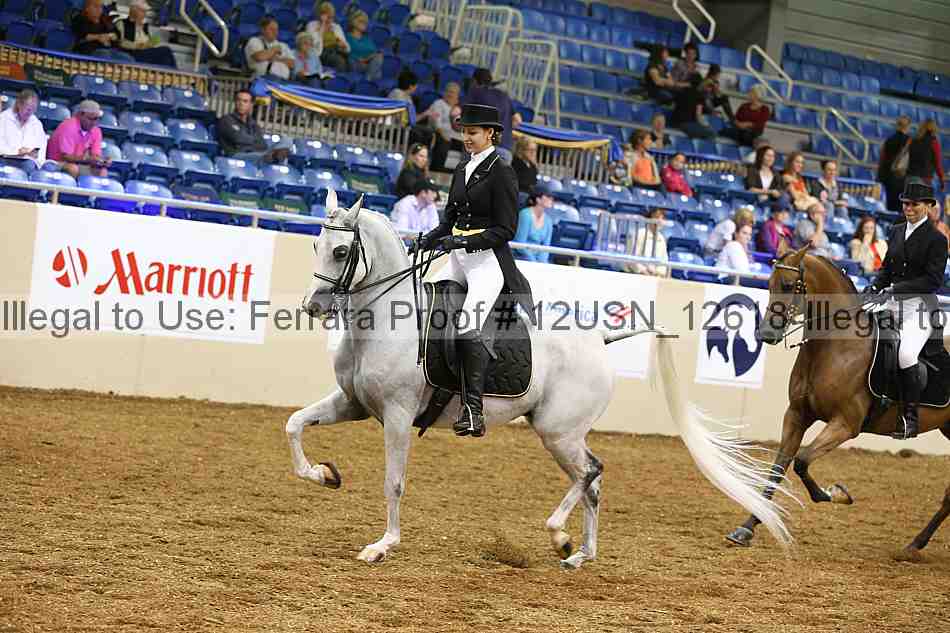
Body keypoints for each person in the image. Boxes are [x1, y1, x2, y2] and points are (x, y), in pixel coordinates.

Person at [409, 104, 536, 438]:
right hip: (457, 258)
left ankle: (473, 410)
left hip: (487, 263)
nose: (466, 137)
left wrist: (462, 242)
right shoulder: (463, 167)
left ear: (490, 134)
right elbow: (449, 221)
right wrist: (426, 241)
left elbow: (506, 230)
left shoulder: (502, 171)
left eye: (473, 132)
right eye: (464, 132)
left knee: (467, 326)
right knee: (422, 307)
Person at [863, 178, 949, 440]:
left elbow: (932, 280)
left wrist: (896, 289)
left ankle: (909, 419)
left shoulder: (937, 239)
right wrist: (874, 286)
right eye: (905, 204)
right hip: (891, 301)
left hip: (919, 307)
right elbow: (887, 268)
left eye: (914, 204)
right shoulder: (896, 230)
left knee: (906, 354)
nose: (908, 208)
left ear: (928, 206)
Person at [216, 90, 291, 165]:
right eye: (238, 100)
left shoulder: (253, 123)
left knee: (286, 139)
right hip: (237, 155)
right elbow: (239, 139)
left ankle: (276, 156)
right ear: (235, 102)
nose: (241, 104)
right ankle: (275, 157)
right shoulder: (226, 120)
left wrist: (255, 143)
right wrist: (255, 141)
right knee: (267, 156)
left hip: (258, 154)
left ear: (251, 104)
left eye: (245, 101)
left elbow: (262, 144)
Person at [463, 68, 522, 163]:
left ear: (474, 81)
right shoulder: (504, 96)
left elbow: (459, 113)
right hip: (504, 148)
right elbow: (517, 120)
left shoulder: (475, 92)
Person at [47, 100, 111, 178]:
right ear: (80, 115)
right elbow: (66, 157)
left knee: (102, 171)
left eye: (97, 119)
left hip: (78, 163)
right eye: (91, 119)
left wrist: (102, 160)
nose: (94, 123)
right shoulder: (68, 126)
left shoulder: (96, 130)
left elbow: (95, 155)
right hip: (56, 162)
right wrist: (87, 159)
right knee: (72, 169)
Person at [117, 0, 176, 68]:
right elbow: (119, 41)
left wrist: (152, 42)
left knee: (165, 54)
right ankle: (174, 72)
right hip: (133, 54)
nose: (144, 14)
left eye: (145, 12)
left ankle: (173, 72)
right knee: (165, 51)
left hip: (145, 53)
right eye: (142, 11)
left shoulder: (144, 26)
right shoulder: (122, 23)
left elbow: (149, 42)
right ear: (133, 10)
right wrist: (138, 46)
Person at [0, 89, 47, 171]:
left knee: (34, 166)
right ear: (19, 104)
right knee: (27, 165)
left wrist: (34, 154)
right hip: (5, 158)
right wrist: (17, 152)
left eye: (33, 109)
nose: (30, 112)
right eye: (28, 109)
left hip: (28, 161)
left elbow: (41, 149)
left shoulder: (36, 123)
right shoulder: (3, 118)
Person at [427, 82, 463, 172]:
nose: (450, 94)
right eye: (448, 91)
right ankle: (437, 170)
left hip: (455, 136)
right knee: (443, 142)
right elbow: (436, 124)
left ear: (457, 96)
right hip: (440, 133)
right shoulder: (438, 104)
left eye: (453, 92)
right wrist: (443, 135)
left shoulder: (458, 108)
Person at [878, 115, 912, 211]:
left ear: (897, 125)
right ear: (908, 126)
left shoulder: (889, 140)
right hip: (903, 179)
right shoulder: (910, 142)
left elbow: (882, 159)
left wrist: (881, 177)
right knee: (901, 208)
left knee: (889, 207)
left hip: (888, 177)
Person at [513, 185, 554, 263]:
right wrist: (533, 262)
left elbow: (546, 246)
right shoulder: (525, 215)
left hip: (537, 261)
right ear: (538, 199)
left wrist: (542, 263)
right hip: (521, 258)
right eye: (548, 196)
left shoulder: (548, 220)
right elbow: (520, 243)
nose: (551, 199)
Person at [245, 16, 295, 81]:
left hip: (282, 82)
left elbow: (292, 64)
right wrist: (274, 50)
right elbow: (259, 57)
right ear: (263, 30)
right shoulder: (254, 41)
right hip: (260, 80)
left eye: (276, 30)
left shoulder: (283, 45)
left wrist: (276, 59)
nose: (275, 32)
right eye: (271, 29)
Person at [306, 1, 350, 73]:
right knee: (339, 61)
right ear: (320, 15)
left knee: (350, 62)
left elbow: (348, 48)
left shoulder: (336, 27)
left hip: (336, 50)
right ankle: (340, 78)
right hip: (322, 52)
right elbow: (314, 43)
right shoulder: (312, 26)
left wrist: (343, 45)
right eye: (328, 17)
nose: (329, 19)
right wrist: (323, 26)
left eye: (331, 17)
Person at [624, 208, 668, 276]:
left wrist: (659, 273)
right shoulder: (639, 234)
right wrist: (643, 271)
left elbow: (664, 261)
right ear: (649, 219)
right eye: (656, 217)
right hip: (634, 274)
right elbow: (632, 259)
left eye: (662, 218)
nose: (659, 221)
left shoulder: (662, 238)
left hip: (654, 276)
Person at [671, 74, 716, 139]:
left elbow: (673, 105)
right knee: (712, 133)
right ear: (701, 83)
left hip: (674, 121)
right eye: (709, 86)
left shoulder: (683, 90)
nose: (709, 89)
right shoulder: (700, 96)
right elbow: (698, 116)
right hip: (685, 124)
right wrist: (707, 126)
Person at [345, 10, 383, 81]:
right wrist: (361, 59)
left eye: (366, 22)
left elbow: (374, 52)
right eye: (362, 21)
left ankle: (367, 80)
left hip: (369, 65)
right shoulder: (347, 37)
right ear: (353, 22)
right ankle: (368, 81)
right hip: (355, 64)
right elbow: (347, 53)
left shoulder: (367, 39)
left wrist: (367, 59)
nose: (365, 24)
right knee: (376, 71)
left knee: (378, 58)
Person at [907, 120, 945, 189]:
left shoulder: (913, 141)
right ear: (934, 129)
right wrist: (941, 180)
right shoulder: (933, 142)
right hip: (924, 178)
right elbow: (937, 163)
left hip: (910, 177)